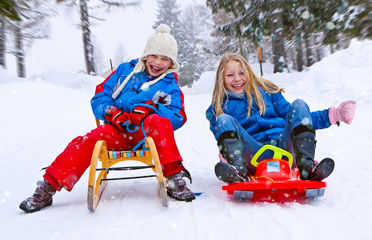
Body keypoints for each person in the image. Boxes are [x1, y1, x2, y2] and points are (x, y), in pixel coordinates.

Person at [20, 24, 195, 213]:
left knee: (159, 122)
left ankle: (172, 177)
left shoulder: (169, 85)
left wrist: (151, 109)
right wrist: (111, 112)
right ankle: (48, 186)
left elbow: (177, 116)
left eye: (164, 59)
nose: (158, 62)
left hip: (147, 137)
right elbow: (100, 97)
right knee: (88, 140)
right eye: (154, 55)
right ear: (146, 55)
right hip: (118, 131)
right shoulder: (124, 71)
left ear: (171, 63)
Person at [206, 53, 356, 184]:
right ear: (222, 79)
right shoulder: (218, 108)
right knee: (224, 119)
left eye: (241, 73)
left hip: (285, 151)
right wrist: (227, 158)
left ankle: (307, 168)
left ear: (249, 73)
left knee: (299, 105)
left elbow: (299, 119)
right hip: (253, 156)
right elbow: (223, 139)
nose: (237, 79)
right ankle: (238, 172)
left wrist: (335, 115)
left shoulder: (267, 91)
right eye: (230, 75)